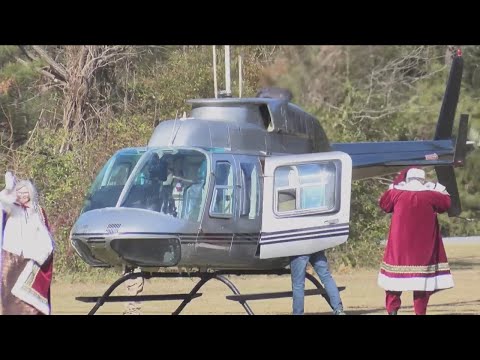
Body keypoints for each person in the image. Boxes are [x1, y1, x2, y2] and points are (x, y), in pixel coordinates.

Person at [377, 167, 453, 315]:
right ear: (423, 179)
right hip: (423, 248)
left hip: (399, 247)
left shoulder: (396, 193)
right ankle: (420, 312)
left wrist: (394, 184)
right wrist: (437, 187)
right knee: (422, 284)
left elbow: (384, 204)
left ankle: (392, 310)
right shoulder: (431, 195)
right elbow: (446, 204)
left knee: (394, 282)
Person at [0, 171, 54, 315]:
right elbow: (3, 201)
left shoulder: (37, 211)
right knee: (10, 297)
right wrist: (8, 188)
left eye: (25, 193)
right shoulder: (13, 208)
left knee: (28, 303)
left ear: (31, 193)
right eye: (20, 193)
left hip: (30, 260)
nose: (23, 196)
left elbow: (45, 237)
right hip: (12, 258)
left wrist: (41, 255)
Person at [290, 251, 346, 315]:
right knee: (326, 278)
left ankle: (298, 313)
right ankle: (339, 310)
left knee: (298, 284)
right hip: (316, 246)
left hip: (299, 248)